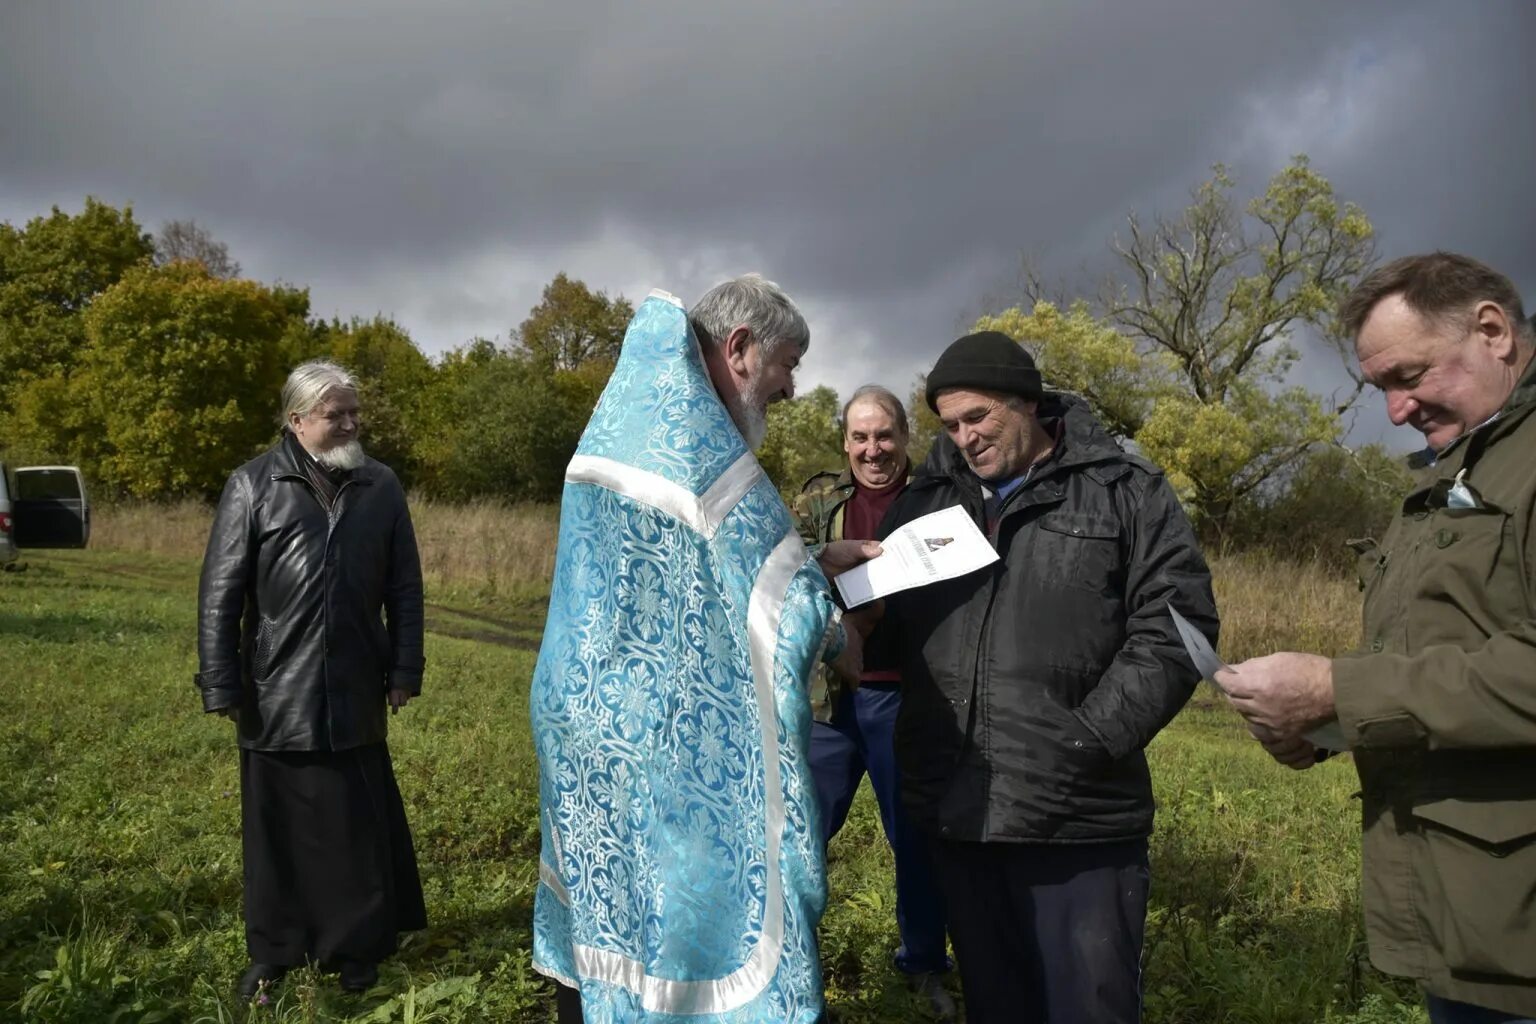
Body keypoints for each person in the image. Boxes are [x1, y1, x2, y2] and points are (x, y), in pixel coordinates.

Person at [530, 276, 878, 1023]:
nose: (790, 387)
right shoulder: (701, 444)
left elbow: (696, 590)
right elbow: (773, 605)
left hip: (588, 717)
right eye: (788, 363)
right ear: (740, 348)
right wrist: (835, 627)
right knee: (689, 914)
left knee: (612, 896)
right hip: (662, 739)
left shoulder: (627, 419)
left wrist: (814, 559)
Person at [1219, 252, 1536, 1024]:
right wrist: (1324, 724)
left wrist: (1340, 689)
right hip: (1470, 923)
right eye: (1381, 389)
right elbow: (1445, 653)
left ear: (1492, 330)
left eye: (1410, 376)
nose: (1396, 410)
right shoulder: (1453, 473)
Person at [880, 331, 1218, 1024]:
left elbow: (1177, 626)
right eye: (950, 425)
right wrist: (840, 593)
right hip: (961, 814)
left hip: (1080, 822)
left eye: (979, 418)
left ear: (1027, 402)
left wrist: (1087, 740)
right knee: (997, 1006)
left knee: (1089, 1008)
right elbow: (886, 632)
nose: (965, 438)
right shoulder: (925, 500)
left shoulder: (1123, 487)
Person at [196, 360, 427, 1000]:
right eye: (336, 414)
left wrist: (405, 667)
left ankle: (354, 949)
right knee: (276, 833)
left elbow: (404, 588)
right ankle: (273, 953)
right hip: (275, 691)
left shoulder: (381, 486)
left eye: (354, 411)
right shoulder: (252, 486)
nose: (351, 423)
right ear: (296, 420)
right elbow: (221, 595)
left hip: (356, 685)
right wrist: (221, 682)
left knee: (352, 827)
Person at [794, 385, 955, 1020]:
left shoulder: (940, 498)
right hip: (829, 703)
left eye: (884, 435)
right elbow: (782, 569)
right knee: (800, 834)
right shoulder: (817, 500)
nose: (872, 449)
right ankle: (788, 970)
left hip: (907, 699)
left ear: (905, 437)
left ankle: (924, 965)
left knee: (914, 839)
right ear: (844, 442)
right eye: (860, 437)